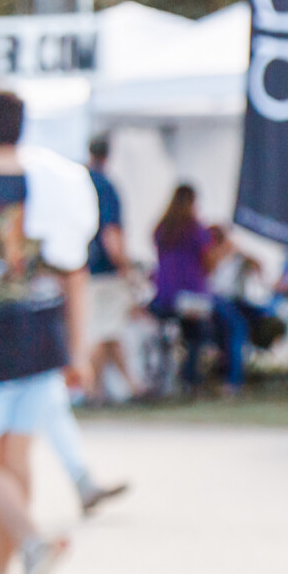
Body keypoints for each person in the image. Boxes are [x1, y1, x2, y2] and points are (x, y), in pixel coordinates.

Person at [0, 91, 90, 574]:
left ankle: (35, 543)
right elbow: (75, 273)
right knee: (14, 465)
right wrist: (77, 350)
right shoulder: (51, 189)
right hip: (43, 345)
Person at [150, 185, 251, 395]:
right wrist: (227, 249)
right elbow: (208, 264)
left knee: (194, 331)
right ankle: (231, 381)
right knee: (235, 324)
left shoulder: (162, 229)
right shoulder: (195, 230)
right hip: (191, 297)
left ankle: (188, 379)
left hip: (164, 297)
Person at [82, 136, 142, 407]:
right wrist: (125, 266)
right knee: (103, 331)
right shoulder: (106, 186)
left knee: (109, 330)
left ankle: (129, 386)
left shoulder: (80, 183)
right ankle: (88, 389)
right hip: (104, 271)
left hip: (83, 268)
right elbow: (111, 234)